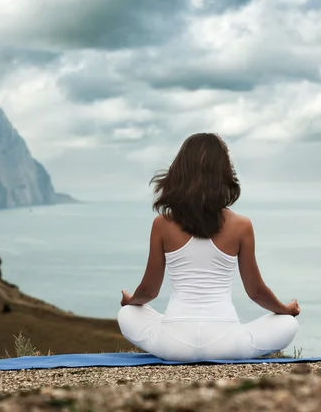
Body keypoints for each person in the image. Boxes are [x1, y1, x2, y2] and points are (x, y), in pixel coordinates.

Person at [118, 133, 300, 361]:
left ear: (179, 172)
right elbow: (256, 292)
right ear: (224, 174)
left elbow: (148, 292)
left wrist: (130, 301)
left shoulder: (162, 225)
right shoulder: (241, 225)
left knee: (127, 314)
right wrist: (286, 310)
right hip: (226, 343)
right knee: (287, 324)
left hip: (174, 344)